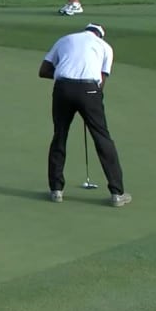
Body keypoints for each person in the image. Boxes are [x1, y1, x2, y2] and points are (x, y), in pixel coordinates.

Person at [38, 24, 132, 207]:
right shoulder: (105, 47)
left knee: (60, 136)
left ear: (85, 30)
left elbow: (43, 71)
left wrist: (66, 78)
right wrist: (89, 100)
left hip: (62, 87)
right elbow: (101, 81)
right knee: (102, 138)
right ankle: (117, 194)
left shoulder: (65, 39)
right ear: (100, 35)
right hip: (89, 90)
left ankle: (56, 190)